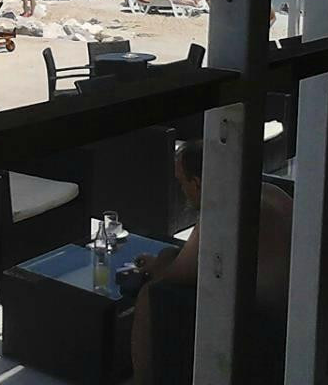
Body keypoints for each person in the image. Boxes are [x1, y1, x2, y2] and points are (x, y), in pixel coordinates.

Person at [130, 139, 305, 385]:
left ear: (197, 182)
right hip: (302, 314)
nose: (182, 190)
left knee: (150, 294)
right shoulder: (270, 192)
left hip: (270, 331)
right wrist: (166, 258)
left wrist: (157, 266)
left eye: (181, 183)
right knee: (168, 257)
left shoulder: (223, 210)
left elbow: (176, 274)